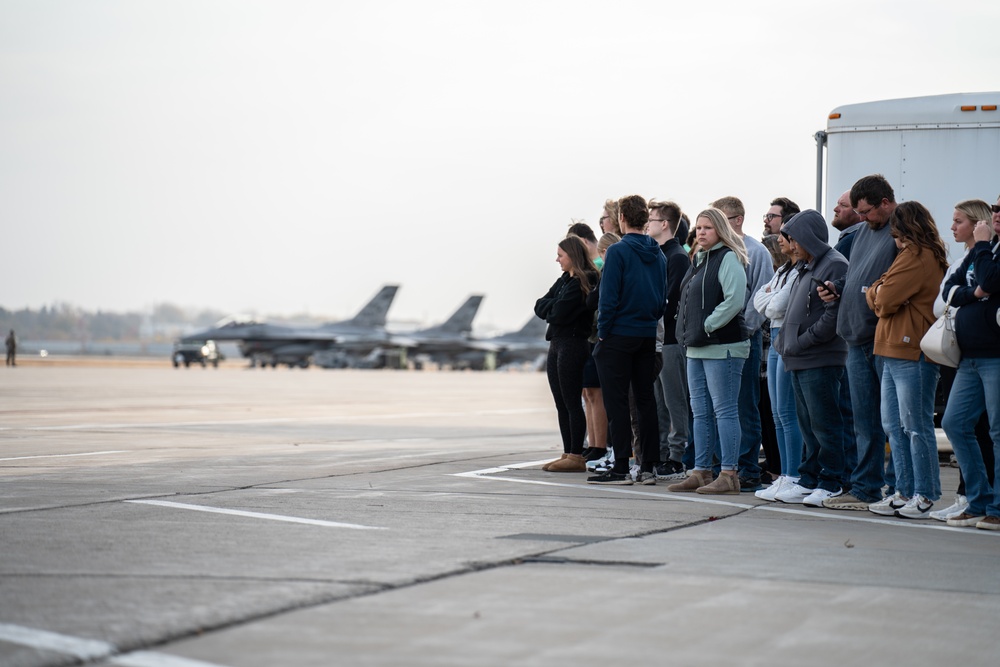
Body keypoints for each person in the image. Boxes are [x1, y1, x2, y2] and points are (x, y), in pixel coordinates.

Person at [819, 174, 902, 511]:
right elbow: (859, 278)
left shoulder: (901, 229)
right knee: (863, 421)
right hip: (856, 337)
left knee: (893, 421)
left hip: (885, 339)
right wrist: (839, 290)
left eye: (867, 212)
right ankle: (866, 487)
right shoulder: (864, 232)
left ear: (885, 202)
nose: (863, 218)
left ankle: (901, 487)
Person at [865, 202, 947, 518]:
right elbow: (879, 291)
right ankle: (904, 490)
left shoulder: (918, 256)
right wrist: (879, 292)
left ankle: (924, 494)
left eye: (896, 233)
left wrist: (877, 293)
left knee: (915, 425)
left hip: (911, 352)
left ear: (904, 229)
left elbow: (882, 297)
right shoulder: (907, 256)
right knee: (894, 426)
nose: (893, 239)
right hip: (890, 348)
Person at [668, 208, 749, 495]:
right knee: (700, 411)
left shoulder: (728, 258)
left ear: (721, 231)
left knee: (724, 411)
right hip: (696, 348)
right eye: (699, 228)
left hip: (723, 347)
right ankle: (701, 471)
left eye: (708, 228)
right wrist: (688, 333)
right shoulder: (698, 260)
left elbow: (735, 300)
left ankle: (728, 474)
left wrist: (707, 326)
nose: (701, 232)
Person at [772, 210, 850, 506]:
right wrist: (785, 343)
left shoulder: (833, 264)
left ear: (808, 238)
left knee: (824, 423)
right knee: (807, 424)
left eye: (793, 239)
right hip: (799, 357)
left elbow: (832, 316)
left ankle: (831, 482)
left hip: (819, 358)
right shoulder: (807, 266)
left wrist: (802, 342)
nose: (790, 245)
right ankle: (809, 479)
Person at [588, 195, 666, 485]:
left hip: (619, 334)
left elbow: (608, 299)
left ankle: (621, 465)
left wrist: (604, 333)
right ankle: (648, 467)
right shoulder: (658, 253)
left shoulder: (618, 252)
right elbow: (662, 299)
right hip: (646, 335)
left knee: (618, 401)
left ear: (621, 218)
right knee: (645, 401)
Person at [930, 199, 996, 521]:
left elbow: (992, 282)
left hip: (995, 356)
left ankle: (995, 508)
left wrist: (983, 245)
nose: (997, 214)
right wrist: (973, 294)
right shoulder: (981, 252)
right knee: (954, 422)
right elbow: (949, 293)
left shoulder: (986, 249)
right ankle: (979, 500)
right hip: (968, 356)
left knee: (997, 431)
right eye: (995, 209)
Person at [711, 196, 774, 491]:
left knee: (745, 406)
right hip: (714, 344)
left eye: (719, 219)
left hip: (742, 342)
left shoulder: (756, 252)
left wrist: (741, 331)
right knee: (720, 407)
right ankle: (724, 466)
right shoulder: (714, 251)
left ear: (737, 220)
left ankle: (748, 468)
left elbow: (759, 300)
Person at [534, 236, 600, 472]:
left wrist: (553, 308)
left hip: (573, 344)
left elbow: (557, 313)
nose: (557, 259)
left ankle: (576, 455)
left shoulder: (585, 280)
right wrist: (553, 307)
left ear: (573, 255)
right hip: (557, 343)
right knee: (561, 402)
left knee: (572, 401)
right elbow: (540, 304)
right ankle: (567, 452)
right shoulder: (565, 279)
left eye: (561, 255)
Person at [753, 231, 803, 501]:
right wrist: (770, 297)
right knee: (776, 413)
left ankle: (793, 473)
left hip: (784, 335)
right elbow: (760, 301)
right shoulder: (784, 270)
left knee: (786, 412)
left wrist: (770, 298)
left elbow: (776, 307)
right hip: (774, 337)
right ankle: (784, 474)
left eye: (787, 236)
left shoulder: (799, 271)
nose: (782, 240)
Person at [646, 199, 692, 480]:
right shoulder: (658, 254)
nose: (647, 223)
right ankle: (662, 455)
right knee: (659, 402)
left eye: (651, 219)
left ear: (664, 224)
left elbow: (670, 298)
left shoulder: (676, 257)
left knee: (675, 402)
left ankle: (677, 458)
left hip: (672, 339)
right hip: (657, 339)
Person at [832, 190, 863, 260]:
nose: (835, 209)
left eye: (843, 205)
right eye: (838, 204)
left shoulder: (849, 243)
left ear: (860, 212)